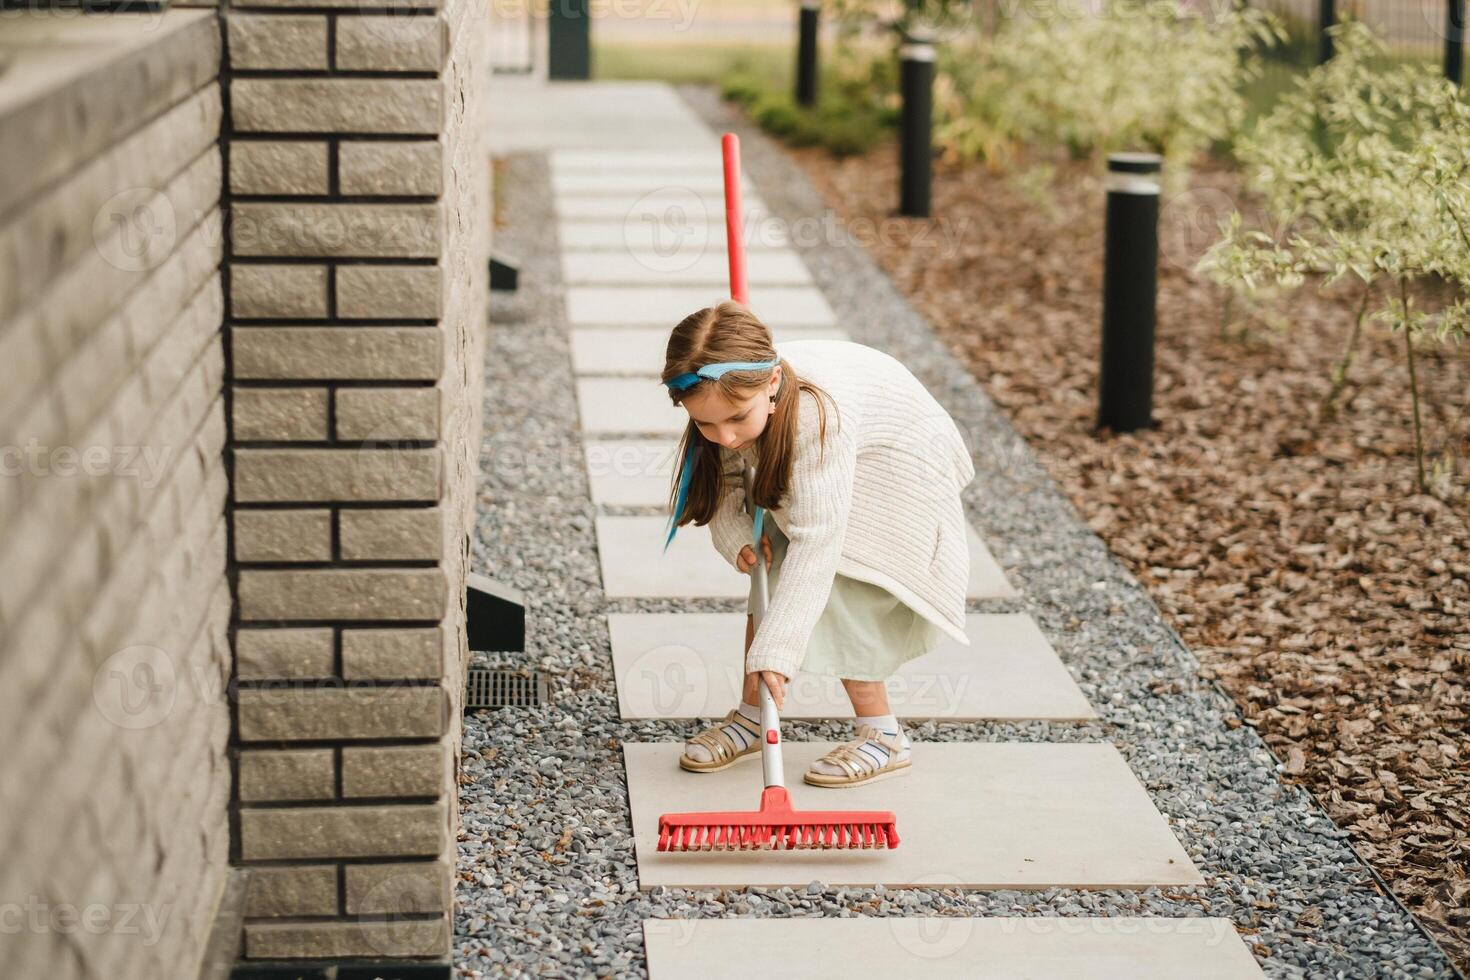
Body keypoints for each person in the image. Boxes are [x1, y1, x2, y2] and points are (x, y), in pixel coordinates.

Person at [660, 300, 975, 788]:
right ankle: (752, 716)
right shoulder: (724, 394)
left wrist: (777, 654)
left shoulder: (816, 418)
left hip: (899, 469)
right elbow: (721, 477)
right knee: (771, 563)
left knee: (847, 585)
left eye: (736, 421)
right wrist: (733, 534)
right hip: (839, 454)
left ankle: (883, 732)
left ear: (771, 386)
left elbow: (818, 543)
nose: (723, 436)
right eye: (705, 424)